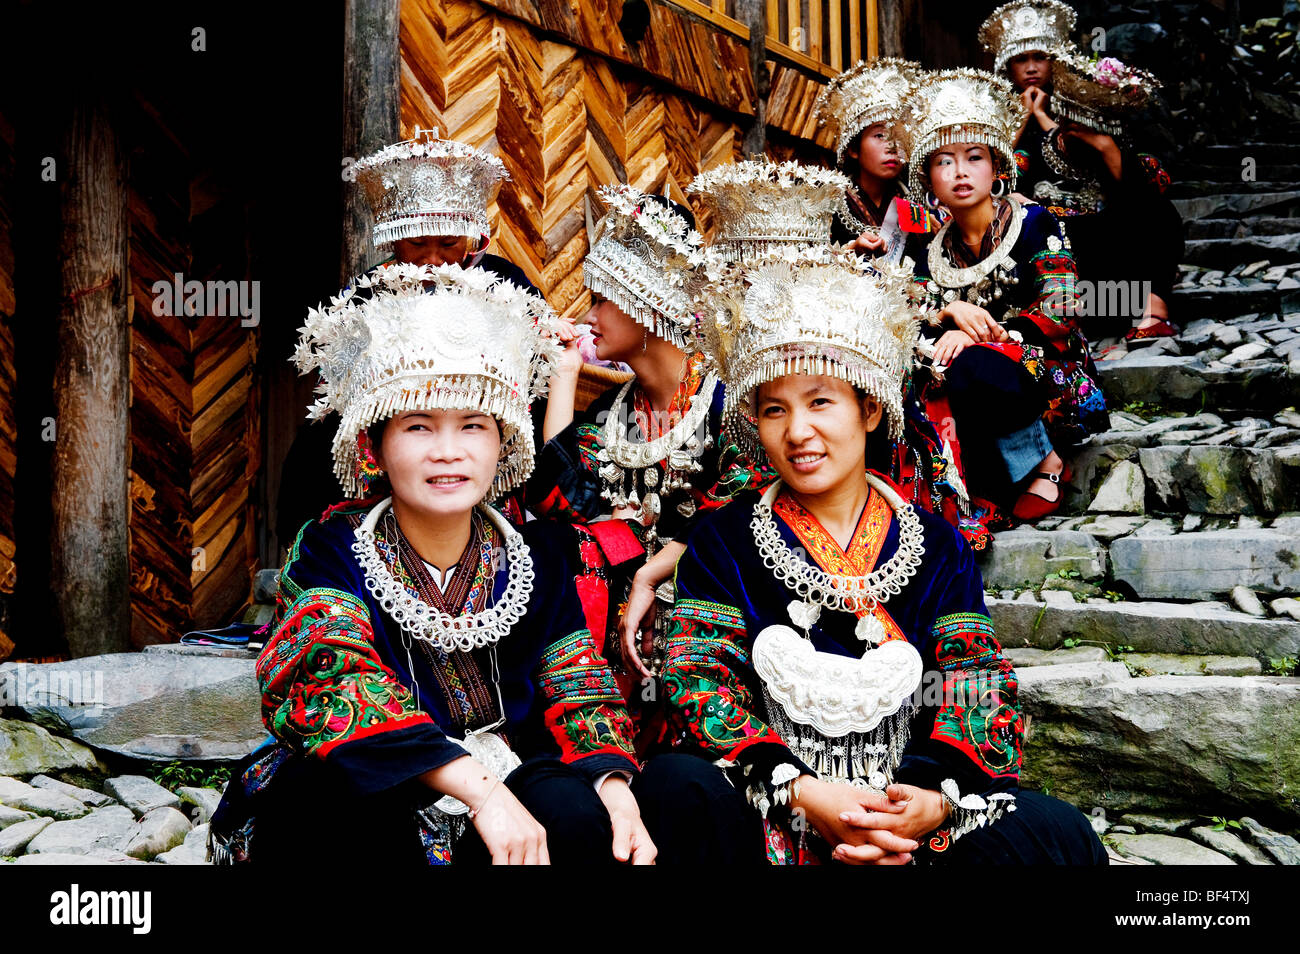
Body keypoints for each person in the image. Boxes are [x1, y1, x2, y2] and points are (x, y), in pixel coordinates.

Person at [634, 237, 1105, 866]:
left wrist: (929, 799)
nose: (798, 433)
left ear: (871, 409)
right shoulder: (725, 541)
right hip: (780, 804)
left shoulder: (936, 545)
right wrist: (806, 794)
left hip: (906, 808)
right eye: (775, 410)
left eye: (821, 402)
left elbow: (971, 681)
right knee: (674, 787)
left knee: (1057, 833)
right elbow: (700, 682)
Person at [211, 264, 653, 865]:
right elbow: (332, 677)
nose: (448, 451)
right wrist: (480, 793)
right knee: (326, 804)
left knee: (576, 814)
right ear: (375, 445)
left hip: (511, 775)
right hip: (374, 782)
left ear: (505, 443)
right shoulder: (331, 547)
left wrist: (617, 792)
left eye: (473, 426)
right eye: (419, 426)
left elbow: (578, 689)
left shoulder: (538, 554)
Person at [531, 184, 767, 696]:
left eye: (600, 300)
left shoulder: (729, 402)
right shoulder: (615, 411)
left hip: (712, 598)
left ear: (646, 301)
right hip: (623, 603)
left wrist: (651, 571)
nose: (589, 317)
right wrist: (566, 373)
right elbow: (561, 495)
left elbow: (742, 514)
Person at [277, 131, 556, 544]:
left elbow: (535, 370)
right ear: (395, 238)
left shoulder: (504, 284)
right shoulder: (370, 291)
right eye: (417, 243)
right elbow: (340, 386)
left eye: (448, 244)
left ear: (473, 238)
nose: (432, 259)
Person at [897, 69, 1108, 524]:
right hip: (968, 379)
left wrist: (984, 337)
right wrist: (947, 310)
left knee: (972, 365)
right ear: (928, 178)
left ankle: (1046, 459)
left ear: (996, 166)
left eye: (974, 157)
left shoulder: (1035, 222)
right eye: (943, 162)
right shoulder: (931, 249)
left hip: (1047, 373)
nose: (959, 172)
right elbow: (903, 308)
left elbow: (1063, 308)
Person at [980, 4, 1183, 339]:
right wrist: (1023, 121)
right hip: (1052, 267)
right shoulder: (1005, 124)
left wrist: (1103, 145)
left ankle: (1152, 306)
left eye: (1040, 57)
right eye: (1021, 59)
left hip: (1109, 266)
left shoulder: (1096, 121)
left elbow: (1141, 196)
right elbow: (992, 180)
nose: (1031, 67)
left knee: (1158, 209)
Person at [816, 58, 937, 257]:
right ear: (853, 148)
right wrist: (849, 251)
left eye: (899, 136)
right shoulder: (829, 203)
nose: (892, 146)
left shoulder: (916, 205)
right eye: (879, 135)